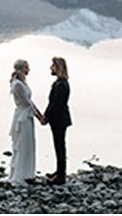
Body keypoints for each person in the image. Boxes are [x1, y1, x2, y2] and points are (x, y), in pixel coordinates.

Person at [8, 59, 44, 185]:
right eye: (27, 68)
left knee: (28, 144)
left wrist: (38, 115)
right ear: (22, 69)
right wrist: (39, 116)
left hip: (27, 115)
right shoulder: (18, 84)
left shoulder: (21, 83)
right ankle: (21, 175)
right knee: (23, 144)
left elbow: (29, 102)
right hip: (23, 117)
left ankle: (28, 173)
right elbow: (27, 103)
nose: (28, 70)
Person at [42, 56, 71, 185]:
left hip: (59, 119)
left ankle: (61, 175)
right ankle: (59, 172)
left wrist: (45, 117)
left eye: (53, 66)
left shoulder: (61, 85)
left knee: (59, 146)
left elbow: (55, 104)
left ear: (58, 67)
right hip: (60, 118)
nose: (50, 68)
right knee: (59, 145)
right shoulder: (61, 83)